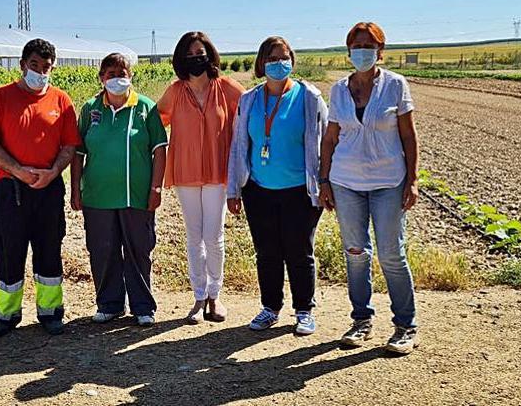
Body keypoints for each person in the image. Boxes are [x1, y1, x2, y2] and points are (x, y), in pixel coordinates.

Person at [318, 21, 420, 355]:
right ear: (348, 51)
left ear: (380, 50)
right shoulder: (338, 90)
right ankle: (361, 320)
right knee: (356, 253)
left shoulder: (395, 85)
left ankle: (405, 326)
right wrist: (324, 181)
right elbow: (330, 138)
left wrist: (413, 179)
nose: (362, 51)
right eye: (356, 46)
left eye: (369, 45)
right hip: (346, 181)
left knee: (392, 254)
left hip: (389, 181)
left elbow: (408, 135)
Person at [0, 38, 82, 338]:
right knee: (9, 251)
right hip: (10, 189)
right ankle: (7, 313)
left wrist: (53, 172)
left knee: (49, 249)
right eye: (34, 65)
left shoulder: (61, 101)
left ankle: (50, 312)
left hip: (48, 188)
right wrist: (17, 171)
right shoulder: (1, 98)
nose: (40, 71)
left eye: (46, 67)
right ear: (23, 64)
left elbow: (69, 145)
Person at [226, 37, 329, 335]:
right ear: (261, 63)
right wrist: (234, 189)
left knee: (299, 250)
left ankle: (304, 310)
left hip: (300, 189)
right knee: (267, 252)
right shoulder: (249, 100)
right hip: (258, 189)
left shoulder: (309, 98)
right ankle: (270, 307)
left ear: (292, 61)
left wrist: (324, 183)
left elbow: (325, 143)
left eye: (284, 57)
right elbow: (238, 146)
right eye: (271, 58)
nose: (278, 63)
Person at [70, 53, 168, 327]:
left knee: (138, 250)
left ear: (131, 75)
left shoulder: (145, 108)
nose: (117, 78)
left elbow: (160, 150)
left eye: (122, 72)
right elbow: (78, 152)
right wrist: (75, 189)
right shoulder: (90, 109)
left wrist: (156, 187)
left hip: (134, 195)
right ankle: (110, 304)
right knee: (102, 250)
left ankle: (142, 306)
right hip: (97, 196)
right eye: (110, 73)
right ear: (101, 78)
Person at [157, 31, 244, 324]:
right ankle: (197, 296)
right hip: (185, 172)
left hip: (219, 173)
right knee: (194, 237)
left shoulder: (227, 88)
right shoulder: (175, 91)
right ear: (182, 59)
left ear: (210, 54)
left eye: (200, 53)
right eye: (190, 55)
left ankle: (214, 296)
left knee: (214, 236)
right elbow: (154, 120)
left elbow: (249, 113)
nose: (196, 58)